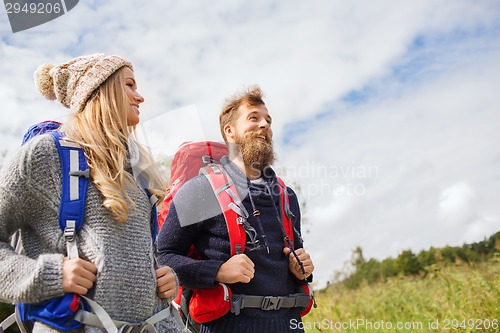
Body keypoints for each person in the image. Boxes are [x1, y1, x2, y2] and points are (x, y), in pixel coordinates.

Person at [0, 54, 181, 333]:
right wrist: (49, 274)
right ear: (99, 90)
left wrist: (165, 278)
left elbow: (137, 254)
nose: (140, 96)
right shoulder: (45, 154)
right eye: (129, 85)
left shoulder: (137, 170)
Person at [157, 85, 315, 332]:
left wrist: (300, 267)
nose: (265, 125)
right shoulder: (202, 190)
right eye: (254, 118)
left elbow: (295, 255)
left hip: (289, 324)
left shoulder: (286, 196)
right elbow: (163, 256)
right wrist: (217, 271)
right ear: (230, 131)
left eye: (268, 120)